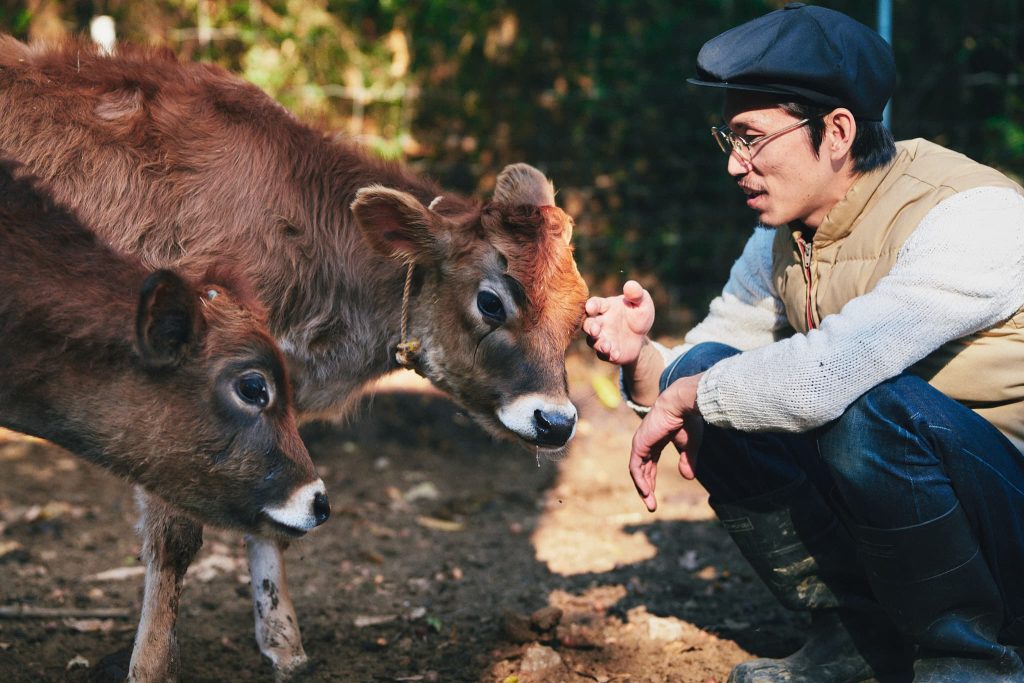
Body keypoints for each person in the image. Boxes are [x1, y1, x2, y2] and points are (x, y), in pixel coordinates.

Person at [584, 3, 1024, 682]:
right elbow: (705, 368)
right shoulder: (783, 237)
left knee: (867, 407)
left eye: (752, 138)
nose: (735, 166)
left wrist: (692, 392)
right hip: (927, 514)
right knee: (712, 372)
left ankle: (970, 661)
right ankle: (854, 639)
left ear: (838, 131)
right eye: (727, 138)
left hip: (1008, 523)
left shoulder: (971, 215)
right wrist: (644, 359)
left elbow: (831, 371)